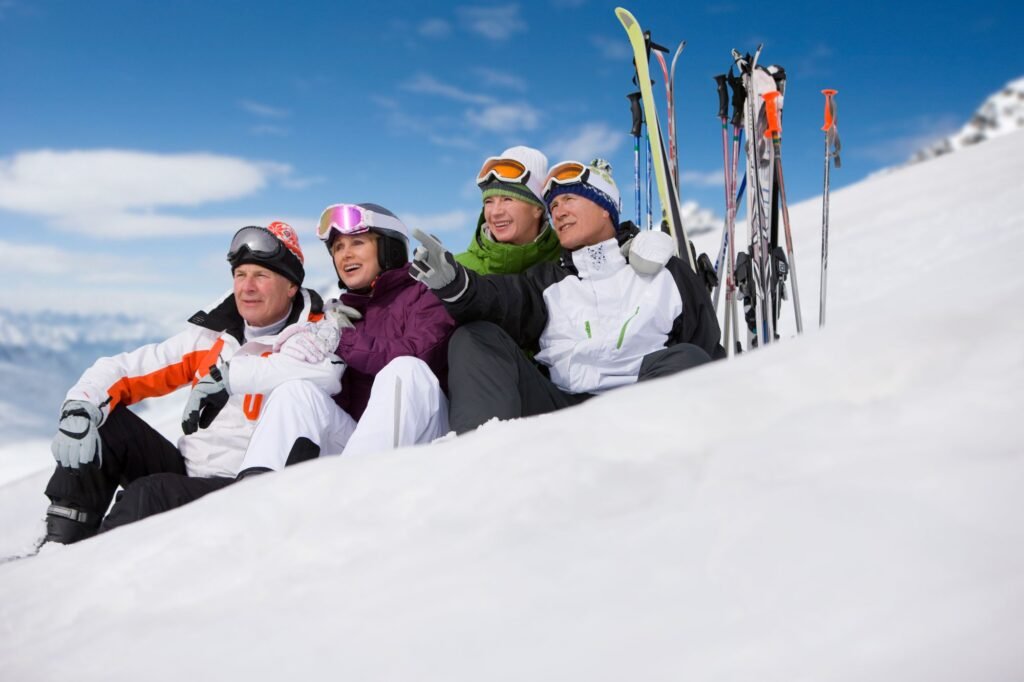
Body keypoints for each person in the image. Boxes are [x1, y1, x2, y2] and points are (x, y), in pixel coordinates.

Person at [44, 222, 341, 543]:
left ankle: (85, 570)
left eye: (261, 275)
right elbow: (132, 369)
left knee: (150, 493)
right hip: (190, 471)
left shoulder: (314, 338)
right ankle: (59, 546)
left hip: (245, 487)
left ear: (291, 286)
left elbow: (327, 377)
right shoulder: (214, 337)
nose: (247, 287)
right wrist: (81, 404)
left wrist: (236, 377)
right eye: (240, 275)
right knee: (103, 426)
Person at [409, 159, 725, 434]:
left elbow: (706, 344)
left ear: (605, 209)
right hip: (561, 410)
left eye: (569, 199)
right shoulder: (545, 281)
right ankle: (479, 460)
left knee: (690, 359)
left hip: (643, 407)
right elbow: (499, 300)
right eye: (554, 206)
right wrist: (456, 283)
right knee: (474, 336)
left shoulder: (664, 271)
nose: (559, 212)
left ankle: (673, 465)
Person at [234, 203, 455, 475]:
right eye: (338, 248)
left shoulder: (426, 295)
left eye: (357, 243)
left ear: (389, 249)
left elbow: (420, 354)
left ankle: (357, 494)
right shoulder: (341, 314)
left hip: (428, 440)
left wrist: (343, 341)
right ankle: (255, 493)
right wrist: (320, 361)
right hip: (360, 450)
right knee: (296, 391)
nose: (345, 255)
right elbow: (344, 400)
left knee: (405, 370)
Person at [456, 145, 561, 275]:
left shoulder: (570, 262)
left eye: (507, 199)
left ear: (538, 209)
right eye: (489, 201)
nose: (495, 212)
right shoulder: (457, 271)